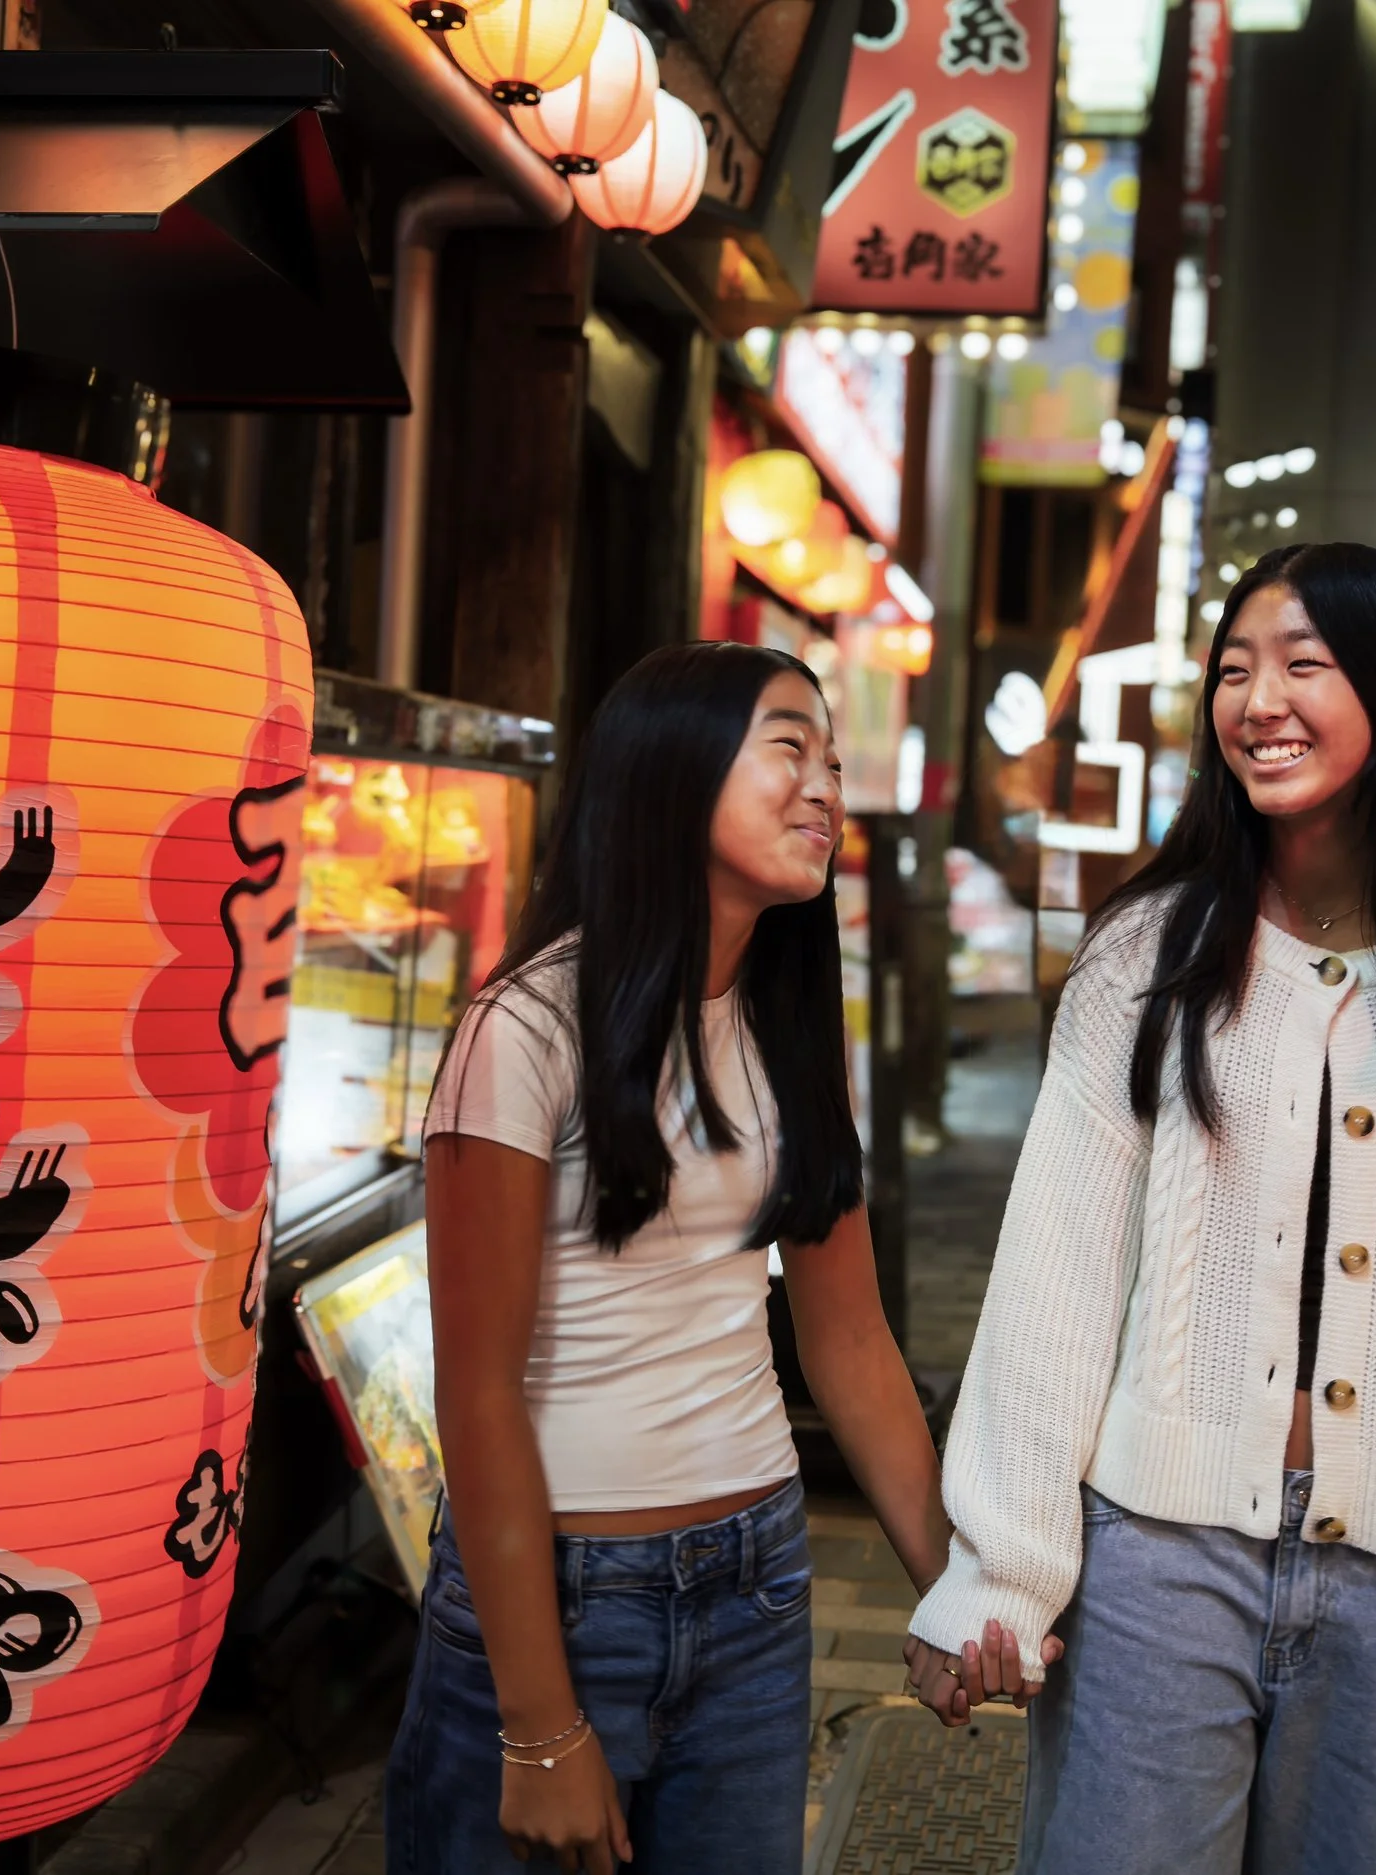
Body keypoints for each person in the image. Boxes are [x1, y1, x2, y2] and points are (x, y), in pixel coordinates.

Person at [902, 544, 1376, 1873]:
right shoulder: (1146, 951)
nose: (1257, 699)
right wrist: (1000, 1566)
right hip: (1158, 1562)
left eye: (1305, 665)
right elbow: (1059, 1268)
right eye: (1234, 668)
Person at [387, 643, 1032, 1875]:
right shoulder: (520, 1030)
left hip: (754, 1587)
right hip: (559, 1598)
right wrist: (538, 1724)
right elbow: (474, 1393)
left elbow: (847, 1341)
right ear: (670, 774)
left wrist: (953, 1587)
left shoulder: (789, 1026)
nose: (824, 787)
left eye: (831, 761)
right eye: (788, 748)